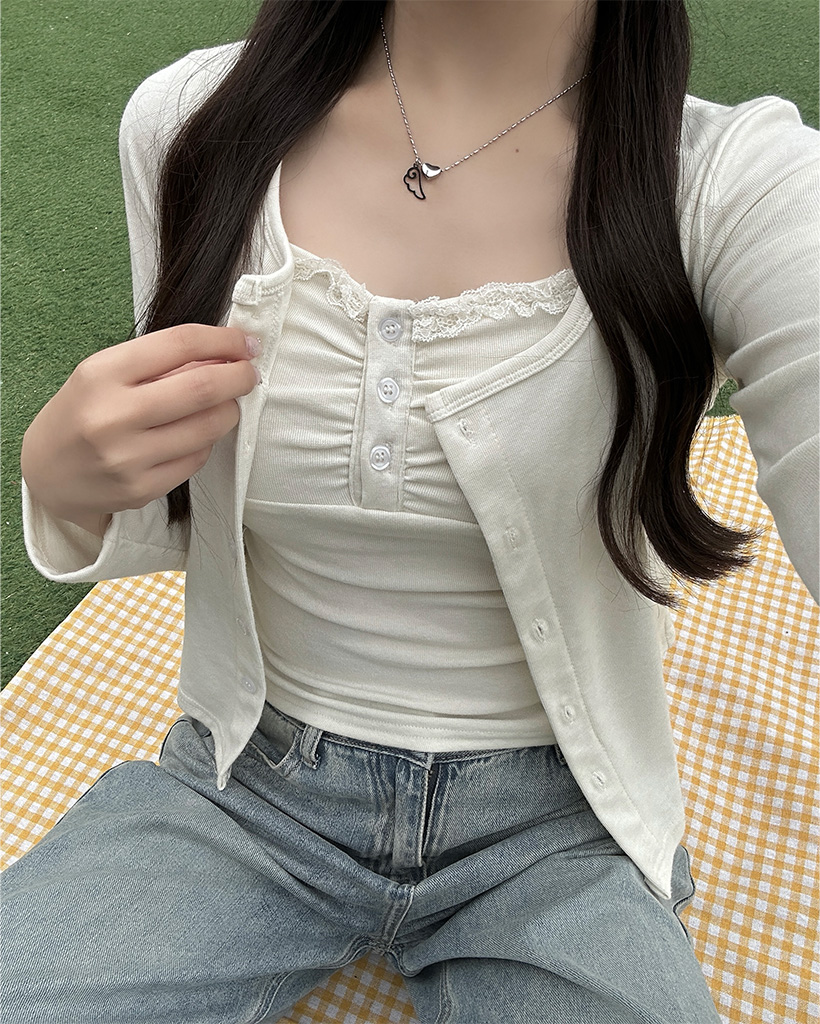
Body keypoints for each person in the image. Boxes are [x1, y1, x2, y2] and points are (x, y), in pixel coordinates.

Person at [3, 1, 818, 1022]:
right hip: (243, 786)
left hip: (562, 826)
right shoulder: (190, 124)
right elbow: (181, 491)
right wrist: (63, 481)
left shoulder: (733, 186)